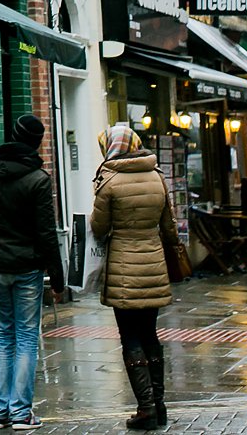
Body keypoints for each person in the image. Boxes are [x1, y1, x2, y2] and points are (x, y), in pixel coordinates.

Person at [0, 114, 69, 432]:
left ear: (12, 134)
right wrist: (57, 276)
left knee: (3, 337)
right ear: (37, 142)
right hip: (27, 269)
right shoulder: (38, 178)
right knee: (25, 338)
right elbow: (46, 232)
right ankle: (21, 413)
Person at [91, 123, 178, 431]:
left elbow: (98, 228)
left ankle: (146, 409)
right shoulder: (157, 178)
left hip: (123, 269)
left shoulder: (109, 181)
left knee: (130, 337)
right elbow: (169, 226)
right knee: (151, 334)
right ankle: (161, 405)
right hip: (153, 264)